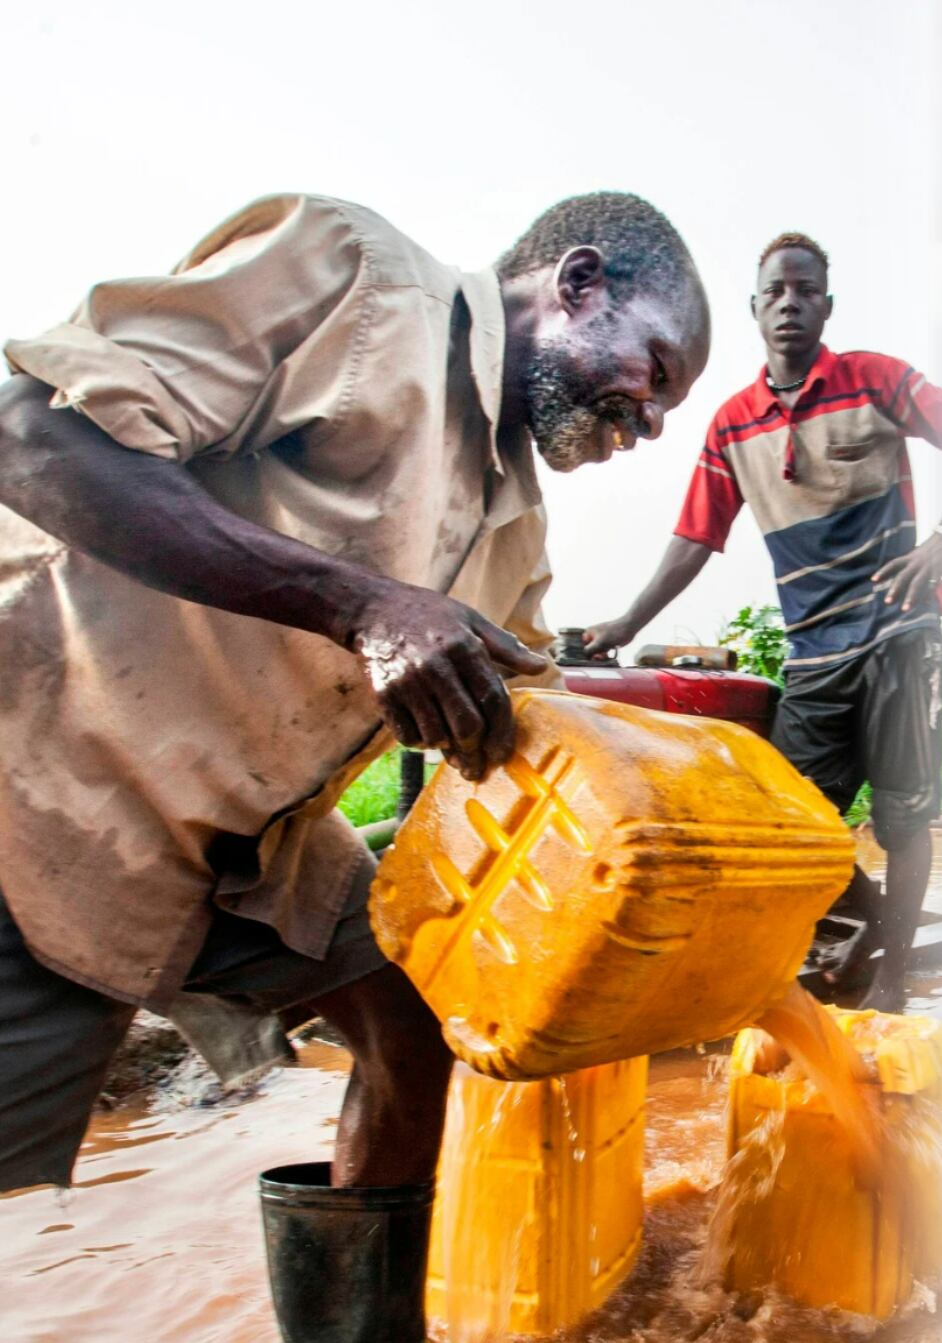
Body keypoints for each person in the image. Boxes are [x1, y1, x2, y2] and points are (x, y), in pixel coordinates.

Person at [0, 190, 711, 1197]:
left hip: (247, 843)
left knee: (415, 1012)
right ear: (579, 284)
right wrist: (363, 606)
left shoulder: (512, 525)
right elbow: (31, 436)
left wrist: (705, 839)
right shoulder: (360, 282)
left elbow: (543, 721)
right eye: (655, 374)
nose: (645, 422)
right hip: (47, 777)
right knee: (21, 1205)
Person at [586, 232, 942, 1011]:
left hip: (898, 635)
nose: (790, 304)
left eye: (806, 290)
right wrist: (624, 621)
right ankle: (877, 934)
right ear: (754, 308)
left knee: (903, 818)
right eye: (776, 291)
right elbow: (693, 540)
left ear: (827, 305)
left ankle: (891, 980)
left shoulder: (872, 380)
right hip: (815, 656)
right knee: (787, 820)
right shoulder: (732, 425)